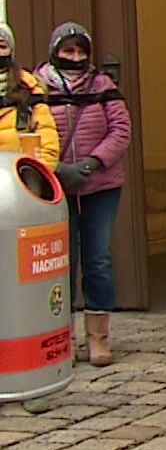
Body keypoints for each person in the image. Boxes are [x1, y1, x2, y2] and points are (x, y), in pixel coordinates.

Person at [37, 22, 132, 367]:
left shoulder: (103, 85)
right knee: (61, 261)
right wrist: (56, 168)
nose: (74, 58)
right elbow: (29, 129)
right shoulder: (37, 86)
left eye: (80, 52)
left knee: (98, 259)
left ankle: (98, 337)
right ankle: (60, 336)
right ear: (55, 51)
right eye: (68, 51)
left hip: (100, 185)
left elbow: (121, 129)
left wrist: (93, 163)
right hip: (53, 184)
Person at [0, 22, 58, 159]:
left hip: (18, 177)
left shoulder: (29, 88)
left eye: (2, 46)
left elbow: (48, 147)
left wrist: (33, 177)